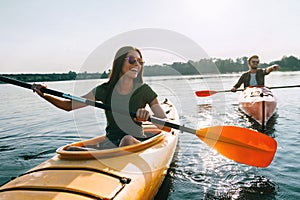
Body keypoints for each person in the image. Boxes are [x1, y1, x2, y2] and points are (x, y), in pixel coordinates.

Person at [32, 46, 168, 149]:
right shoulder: (103, 90)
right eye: (132, 60)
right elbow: (68, 105)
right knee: (71, 149)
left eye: (140, 61)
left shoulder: (144, 90)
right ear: (120, 62)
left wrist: (147, 115)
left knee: (126, 140)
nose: (137, 64)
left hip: (135, 141)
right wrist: (44, 93)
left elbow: (165, 125)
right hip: (110, 143)